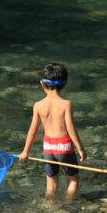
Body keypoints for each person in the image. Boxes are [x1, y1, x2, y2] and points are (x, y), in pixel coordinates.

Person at [19, 62, 86, 201]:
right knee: (73, 181)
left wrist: (26, 151)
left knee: (51, 185)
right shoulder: (66, 104)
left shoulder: (38, 105)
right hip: (64, 147)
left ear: (42, 84)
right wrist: (80, 148)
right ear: (65, 84)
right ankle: (68, 206)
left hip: (48, 147)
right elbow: (70, 128)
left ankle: (50, 209)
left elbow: (33, 130)